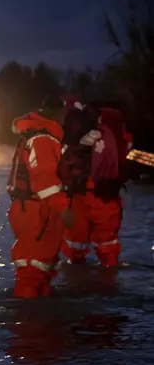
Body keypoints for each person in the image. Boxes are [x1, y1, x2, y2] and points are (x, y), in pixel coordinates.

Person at [6, 95, 74, 298]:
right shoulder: (43, 138)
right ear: (60, 114)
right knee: (32, 271)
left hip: (31, 208)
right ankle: (28, 320)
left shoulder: (36, 134)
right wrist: (63, 209)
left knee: (41, 268)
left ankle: (39, 317)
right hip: (37, 210)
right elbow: (44, 178)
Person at [61, 102, 130, 267]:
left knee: (76, 242)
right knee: (106, 244)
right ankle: (108, 276)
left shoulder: (81, 135)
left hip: (83, 193)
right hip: (102, 194)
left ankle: (79, 273)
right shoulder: (113, 136)